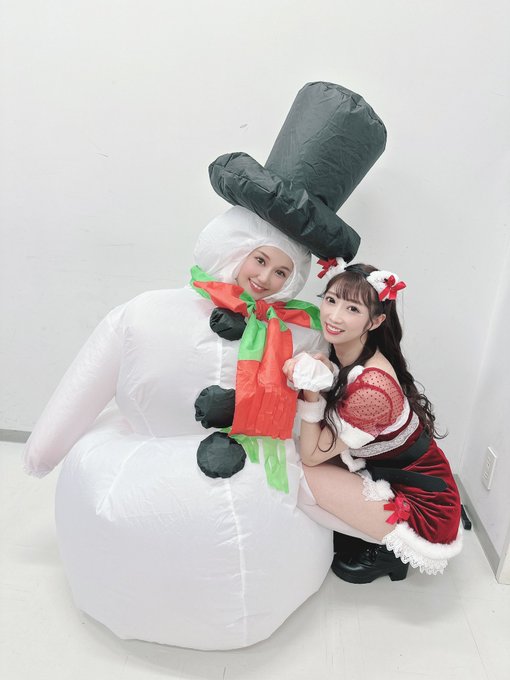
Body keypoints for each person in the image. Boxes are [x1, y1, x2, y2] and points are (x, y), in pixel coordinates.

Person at [283, 262, 462, 582]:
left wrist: (311, 390)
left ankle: (388, 552)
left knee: (296, 475)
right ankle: (362, 526)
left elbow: (312, 454)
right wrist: (325, 374)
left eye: (352, 308)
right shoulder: (353, 352)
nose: (334, 316)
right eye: (331, 300)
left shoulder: (373, 387)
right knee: (295, 455)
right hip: (389, 473)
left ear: (376, 320)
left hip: (425, 508)